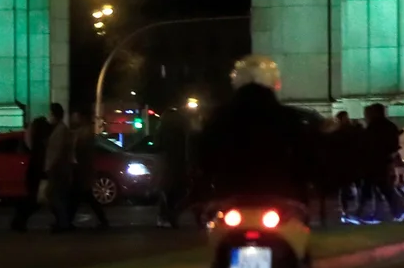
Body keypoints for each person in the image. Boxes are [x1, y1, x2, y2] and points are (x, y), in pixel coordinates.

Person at [196, 56, 322, 208]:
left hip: (231, 192)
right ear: (274, 83)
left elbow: (204, 155)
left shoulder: (220, 116)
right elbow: (306, 155)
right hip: (281, 192)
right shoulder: (288, 117)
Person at [359, 102, 404, 222]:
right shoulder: (390, 126)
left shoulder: (374, 126)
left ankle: (371, 214)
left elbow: (368, 145)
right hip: (385, 161)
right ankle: (386, 212)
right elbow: (394, 145)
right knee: (381, 187)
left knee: (378, 187)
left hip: (375, 162)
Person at [11, 109, 54, 231]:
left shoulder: (33, 140)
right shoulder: (40, 145)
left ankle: (18, 221)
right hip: (36, 172)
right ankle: (18, 221)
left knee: (33, 199)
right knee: (35, 201)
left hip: (33, 172)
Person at [69, 107, 111, 231]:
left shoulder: (85, 132)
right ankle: (68, 220)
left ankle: (67, 221)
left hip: (83, 169)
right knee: (83, 197)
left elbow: (83, 151)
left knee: (80, 197)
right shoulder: (84, 131)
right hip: (83, 169)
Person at [153, 110, 192, 229]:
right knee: (176, 192)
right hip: (178, 164)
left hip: (167, 163)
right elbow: (186, 147)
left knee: (166, 192)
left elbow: (157, 146)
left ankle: (164, 217)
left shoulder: (162, 131)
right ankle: (171, 217)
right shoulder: (181, 131)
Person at [44, 106, 78, 232]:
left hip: (58, 169)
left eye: (51, 114)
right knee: (56, 197)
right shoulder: (60, 129)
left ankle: (63, 223)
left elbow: (57, 152)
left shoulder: (61, 131)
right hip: (59, 168)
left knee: (54, 196)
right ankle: (62, 222)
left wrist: (50, 167)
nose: (49, 117)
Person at [325, 111, 363, 222]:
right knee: (350, 187)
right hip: (349, 163)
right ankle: (350, 211)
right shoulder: (348, 131)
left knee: (347, 188)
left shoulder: (340, 132)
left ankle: (348, 212)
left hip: (347, 163)